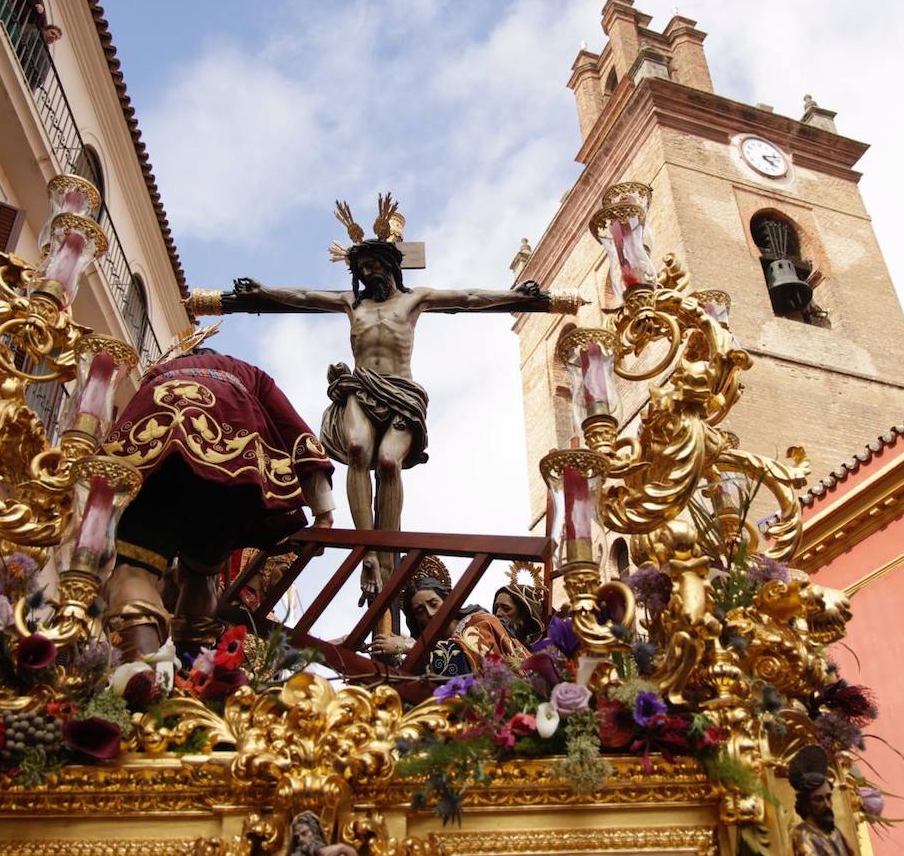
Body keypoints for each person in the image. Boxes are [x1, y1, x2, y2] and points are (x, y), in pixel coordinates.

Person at [217, 194, 576, 604]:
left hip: (403, 393)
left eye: (375, 266)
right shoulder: (351, 303)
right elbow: (301, 297)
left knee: (388, 462)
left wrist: (518, 297)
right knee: (356, 449)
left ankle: (386, 552)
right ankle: (367, 550)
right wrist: (262, 291)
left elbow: (468, 298)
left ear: (390, 266)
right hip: (361, 386)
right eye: (363, 268)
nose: (370, 273)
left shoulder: (413, 299)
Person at [101, 345, 335, 656]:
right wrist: (323, 513)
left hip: (160, 446)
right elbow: (296, 432)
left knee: (136, 570)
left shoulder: (161, 373)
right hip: (232, 469)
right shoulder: (247, 372)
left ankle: (141, 679)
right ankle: (193, 675)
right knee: (201, 576)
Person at [370, 557, 526, 677]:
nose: (430, 613)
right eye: (420, 611)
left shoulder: (481, 622)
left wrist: (407, 647)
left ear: (447, 600)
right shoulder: (429, 649)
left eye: (434, 603)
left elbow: (462, 665)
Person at [788, 745, 854, 856]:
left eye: (828, 797)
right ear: (805, 804)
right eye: (818, 800)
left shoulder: (835, 832)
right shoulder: (803, 835)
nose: (827, 805)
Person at [492, 564, 546, 647]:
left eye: (506, 608)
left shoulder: (545, 646)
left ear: (523, 613)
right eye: (496, 608)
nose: (498, 614)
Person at [288, 811, 356, 856]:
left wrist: (342, 848)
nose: (301, 839)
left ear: (315, 831)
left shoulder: (330, 853)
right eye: (297, 837)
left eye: (304, 833)